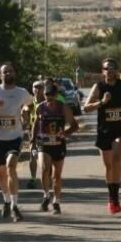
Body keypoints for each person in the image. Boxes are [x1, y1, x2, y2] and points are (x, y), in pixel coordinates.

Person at [0, 63, 35, 222]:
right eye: (5, 72)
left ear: (15, 73)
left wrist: (26, 113)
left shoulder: (21, 92)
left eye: (10, 71)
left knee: (11, 167)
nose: (8, 73)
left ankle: (15, 206)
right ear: (0, 75)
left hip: (14, 137)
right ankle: (6, 201)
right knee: (2, 173)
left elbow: (32, 104)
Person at [83, 58, 121, 213]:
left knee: (116, 158)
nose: (111, 70)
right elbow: (86, 108)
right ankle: (111, 198)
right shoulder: (98, 87)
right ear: (103, 71)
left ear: (116, 70)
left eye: (113, 67)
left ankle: (116, 198)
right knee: (108, 165)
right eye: (107, 68)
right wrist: (101, 102)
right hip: (104, 130)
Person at [36, 82, 79, 213]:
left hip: (58, 144)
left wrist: (65, 133)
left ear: (56, 95)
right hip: (44, 144)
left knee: (57, 176)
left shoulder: (63, 108)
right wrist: (32, 140)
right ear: (44, 95)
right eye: (47, 96)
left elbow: (74, 125)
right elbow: (35, 125)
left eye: (52, 96)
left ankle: (56, 201)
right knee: (44, 169)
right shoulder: (40, 107)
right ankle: (46, 195)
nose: (49, 99)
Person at [26, 80, 46, 189]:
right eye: (35, 87)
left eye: (40, 87)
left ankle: (47, 177)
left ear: (44, 89)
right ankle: (33, 178)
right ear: (32, 89)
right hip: (33, 134)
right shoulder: (30, 102)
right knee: (33, 155)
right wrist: (24, 113)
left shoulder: (48, 101)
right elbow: (24, 117)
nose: (37, 89)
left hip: (46, 134)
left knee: (44, 157)